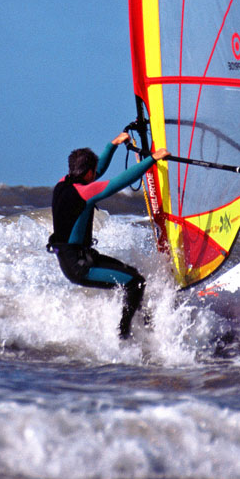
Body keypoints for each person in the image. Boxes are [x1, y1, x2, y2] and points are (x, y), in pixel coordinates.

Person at [49, 131, 168, 339]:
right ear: (87, 174)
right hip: (80, 267)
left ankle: (146, 324)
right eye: (93, 172)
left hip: (79, 258)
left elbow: (97, 171)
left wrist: (112, 145)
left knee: (131, 275)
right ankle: (123, 336)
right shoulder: (84, 193)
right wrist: (152, 159)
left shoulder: (63, 183)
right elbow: (118, 182)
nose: (95, 174)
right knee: (135, 283)